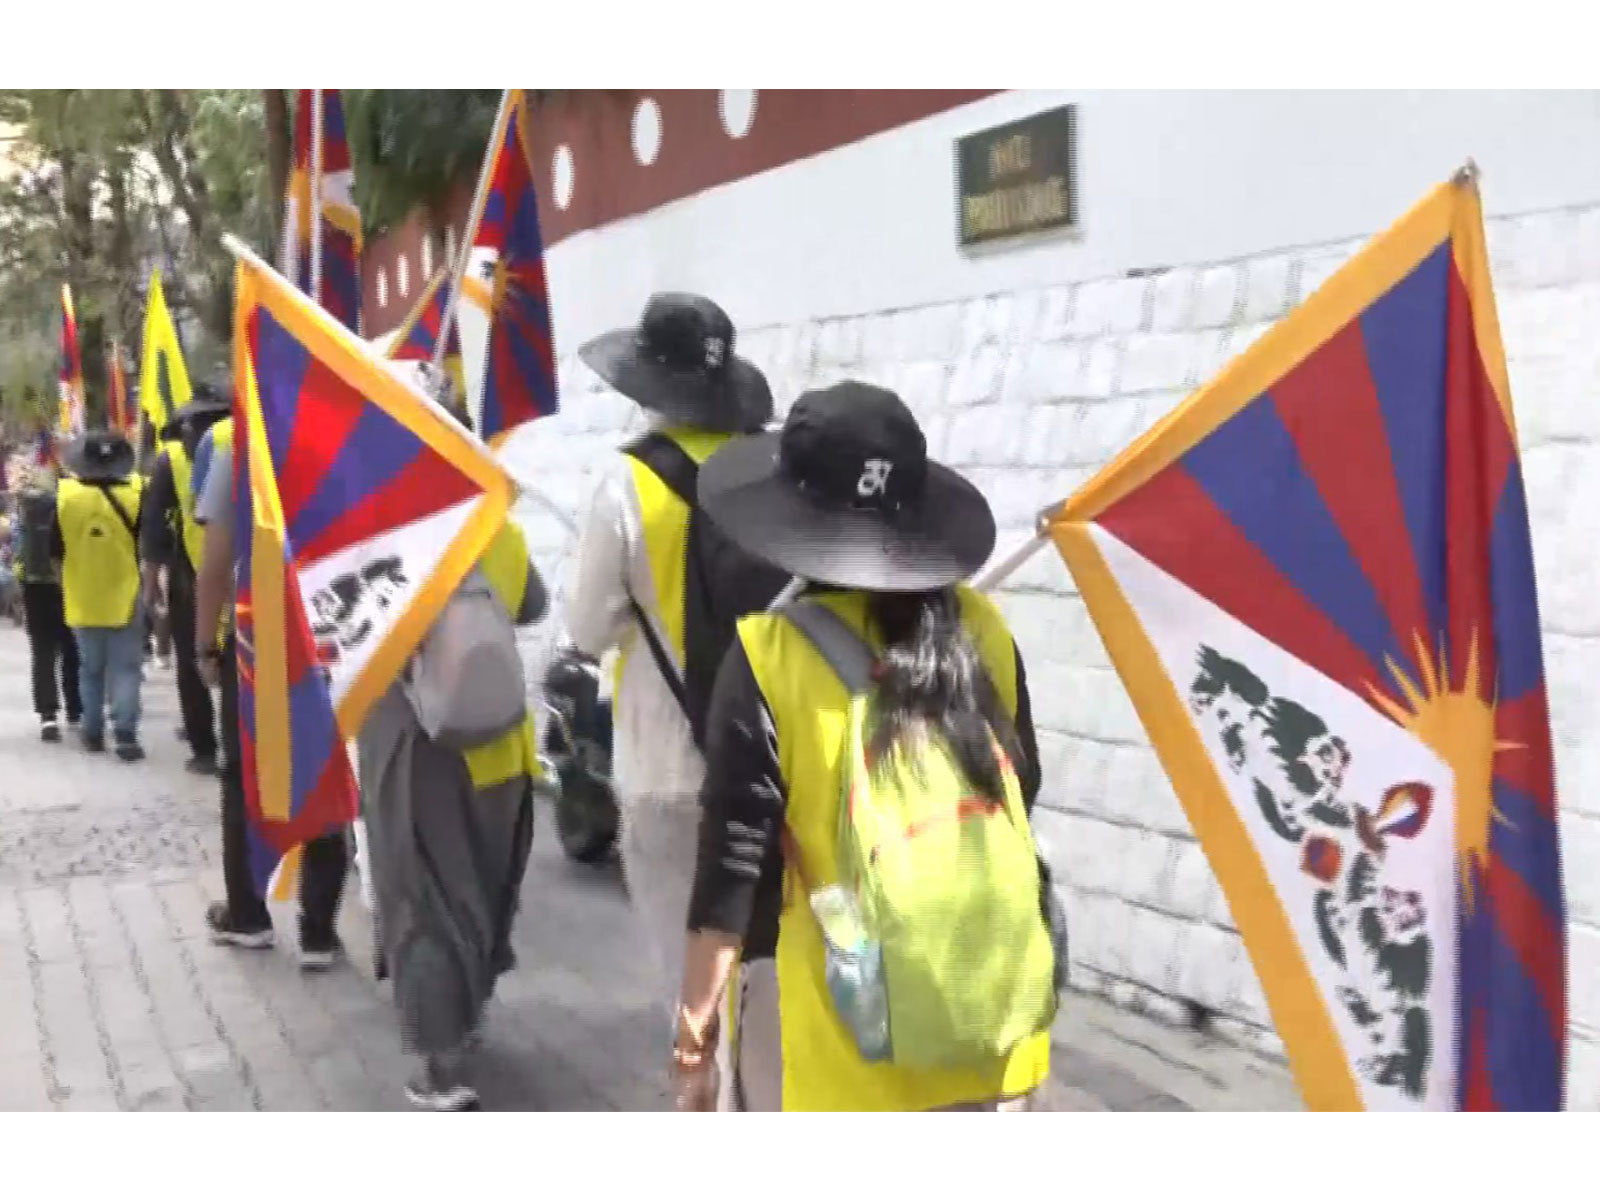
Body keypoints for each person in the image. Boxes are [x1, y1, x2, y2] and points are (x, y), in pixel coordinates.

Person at [672, 382, 1058, 1111]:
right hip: (994, 1023)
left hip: (850, 1041)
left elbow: (730, 875)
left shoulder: (769, 656)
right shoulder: (986, 632)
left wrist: (694, 1039)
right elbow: (1020, 793)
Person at [564, 293, 786, 1019]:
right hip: (773, 762)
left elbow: (588, 628)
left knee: (692, 996)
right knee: (766, 984)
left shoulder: (627, 485)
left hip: (665, 769)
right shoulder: (769, 469)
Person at [358, 383, 548, 1112]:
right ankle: (466, 1024)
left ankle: (440, 1067)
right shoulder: (497, 527)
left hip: (419, 752)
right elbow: (531, 605)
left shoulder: (376, 535)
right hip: (499, 744)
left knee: (423, 900)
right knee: (483, 891)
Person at [192, 414, 349, 968]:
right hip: (331, 631)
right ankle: (319, 933)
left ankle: (249, 916)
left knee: (243, 774)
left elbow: (215, 561)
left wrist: (203, 643)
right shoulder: (335, 417)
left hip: (256, 637)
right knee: (326, 766)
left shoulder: (236, 439)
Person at [139, 386, 229, 775]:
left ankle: (204, 748)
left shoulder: (170, 458)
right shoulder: (253, 434)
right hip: (250, 569)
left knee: (194, 661)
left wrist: (150, 580)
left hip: (188, 573)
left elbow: (155, 525)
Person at [56, 431, 147, 761]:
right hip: (126, 593)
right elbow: (146, 547)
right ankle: (125, 735)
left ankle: (92, 732)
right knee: (126, 668)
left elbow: (55, 551)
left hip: (82, 595)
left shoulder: (65, 497)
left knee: (90, 668)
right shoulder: (137, 495)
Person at [13, 467, 81, 740]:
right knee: (72, 647)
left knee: (42, 651)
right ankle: (76, 708)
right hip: (67, 582)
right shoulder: (71, 503)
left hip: (35, 583)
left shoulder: (28, 507)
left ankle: (48, 716)